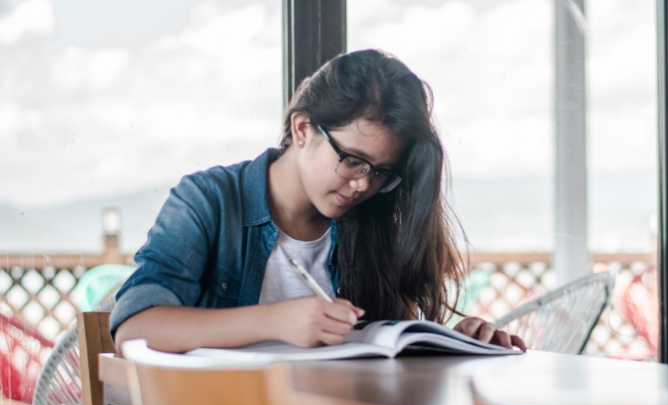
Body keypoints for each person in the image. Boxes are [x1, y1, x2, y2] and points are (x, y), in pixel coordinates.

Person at [111, 48, 526, 357]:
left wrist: (458, 341)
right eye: (353, 161)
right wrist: (277, 320)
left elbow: (390, 348)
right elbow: (135, 327)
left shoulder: (371, 220)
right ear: (303, 127)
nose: (363, 184)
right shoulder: (209, 201)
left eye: (381, 171)